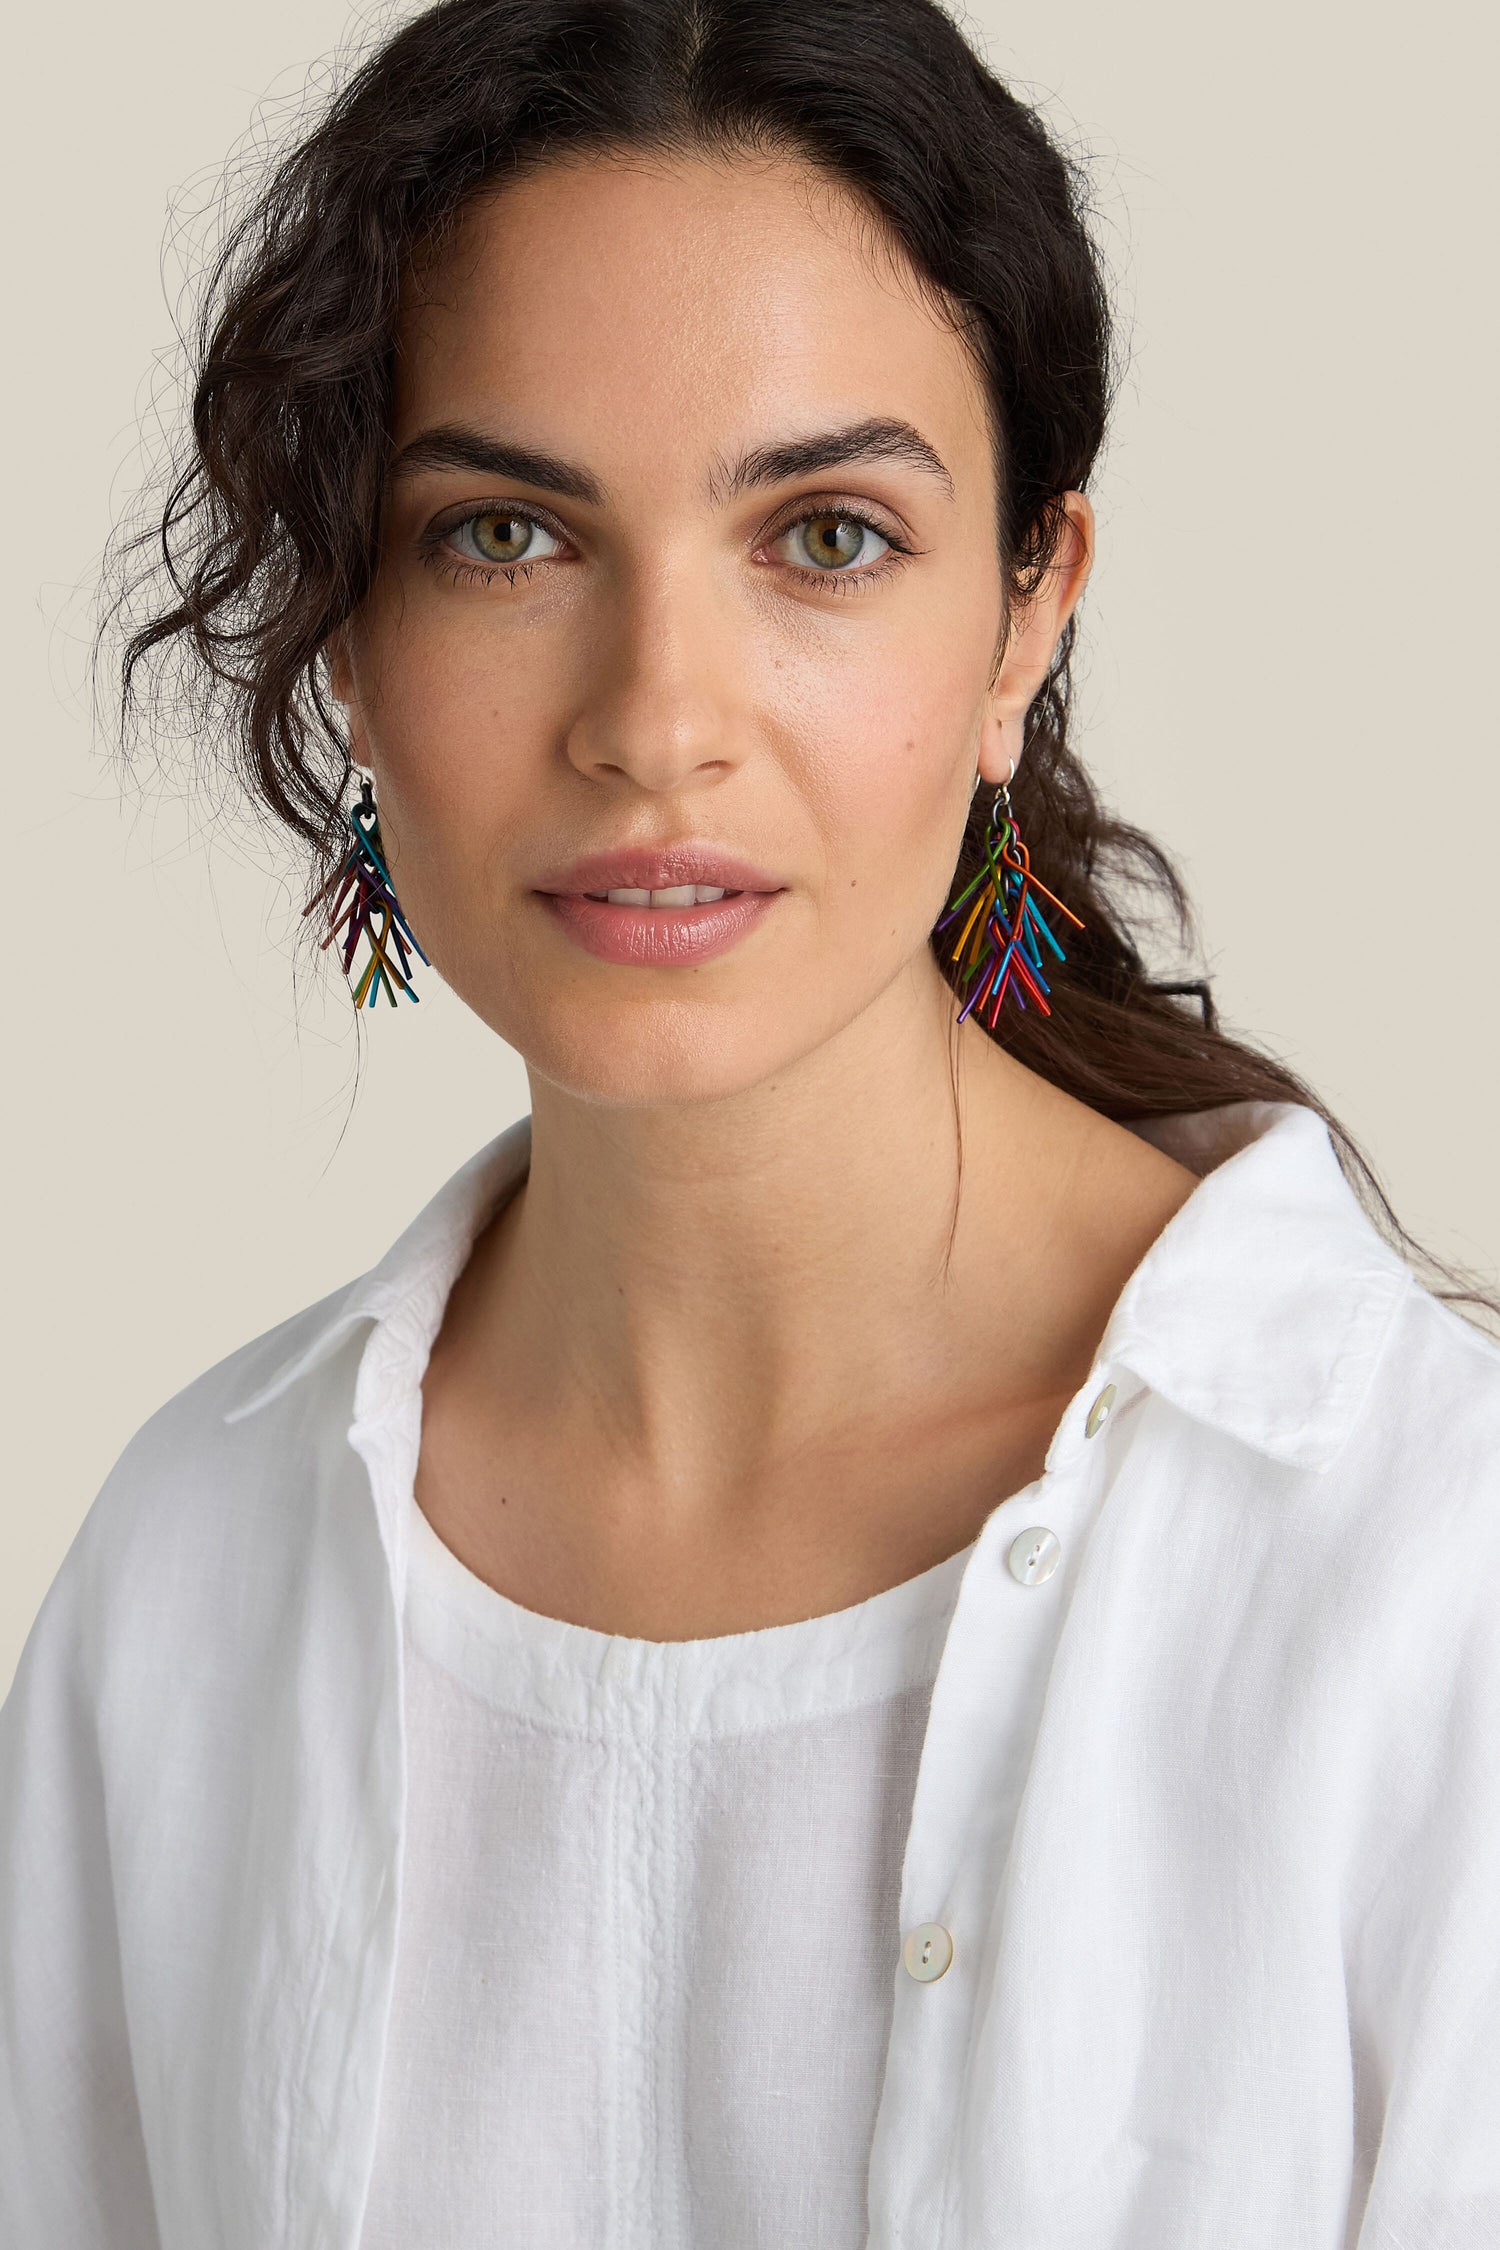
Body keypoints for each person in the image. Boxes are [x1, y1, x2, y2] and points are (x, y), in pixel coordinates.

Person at [3, 1, 1498, 2243]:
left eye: (824, 535)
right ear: (350, 640)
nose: (656, 722)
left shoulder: (1427, 1585)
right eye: (505, 535)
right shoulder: (194, 1570)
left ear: (1026, 617)